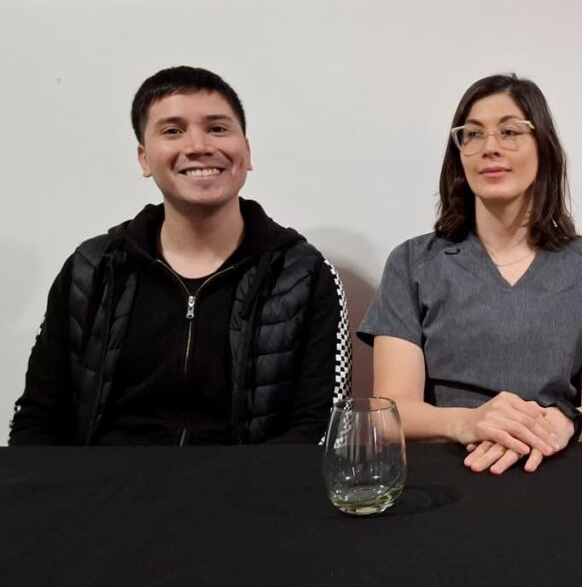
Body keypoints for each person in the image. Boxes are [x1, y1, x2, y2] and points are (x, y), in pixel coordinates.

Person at [9, 66, 350, 445]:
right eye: (173, 131)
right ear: (144, 158)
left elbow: (320, 426)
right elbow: (39, 416)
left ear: (247, 151)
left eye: (217, 128)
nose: (198, 145)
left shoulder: (302, 273)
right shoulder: (93, 268)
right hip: (104, 480)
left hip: (251, 480)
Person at [358, 74, 582, 474]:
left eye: (509, 131)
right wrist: (468, 422)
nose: (490, 147)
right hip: (447, 468)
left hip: (554, 467)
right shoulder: (413, 263)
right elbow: (390, 409)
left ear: (543, 148)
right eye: (472, 134)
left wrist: (562, 422)